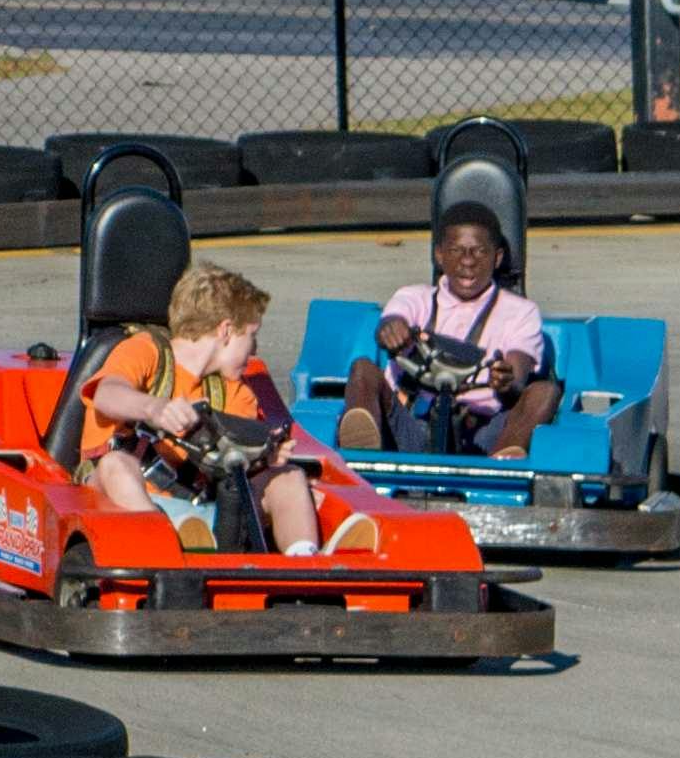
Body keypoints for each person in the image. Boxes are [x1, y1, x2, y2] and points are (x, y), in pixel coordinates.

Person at [82, 261, 330, 554]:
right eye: (251, 335)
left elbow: (234, 471)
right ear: (226, 331)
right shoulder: (146, 351)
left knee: (289, 477)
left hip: (203, 512)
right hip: (119, 504)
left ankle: (305, 558)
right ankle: (163, 545)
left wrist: (265, 457)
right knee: (116, 464)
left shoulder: (235, 393)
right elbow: (107, 394)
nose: (254, 349)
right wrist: (154, 408)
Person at [342, 197, 555, 459]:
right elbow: (392, 320)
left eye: (479, 251)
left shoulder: (521, 312)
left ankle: (503, 465)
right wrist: (392, 329)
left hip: (483, 434)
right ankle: (361, 454)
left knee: (545, 391)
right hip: (411, 425)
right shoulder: (414, 298)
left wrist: (506, 380)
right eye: (456, 251)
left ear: (497, 257)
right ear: (439, 255)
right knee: (362, 369)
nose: (467, 261)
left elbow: (518, 370)